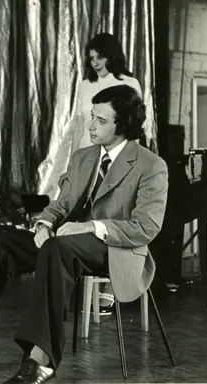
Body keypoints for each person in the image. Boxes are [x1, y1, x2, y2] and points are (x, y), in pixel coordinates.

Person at [0, 85, 168, 383]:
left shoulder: (151, 165)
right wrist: (43, 225)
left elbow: (146, 227)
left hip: (114, 248)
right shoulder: (85, 157)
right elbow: (61, 204)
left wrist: (88, 227)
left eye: (101, 121)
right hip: (65, 243)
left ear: (123, 126)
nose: (91, 125)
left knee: (58, 249)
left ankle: (39, 361)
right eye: (91, 117)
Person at [72, 32, 143, 313]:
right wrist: (73, 161)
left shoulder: (129, 83)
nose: (95, 62)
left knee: (116, 217)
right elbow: (80, 125)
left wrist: (132, 164)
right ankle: (84, 291)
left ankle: (112, 290)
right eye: (91, 58)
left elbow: (134, 129)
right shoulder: (86, 85)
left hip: (118, 157)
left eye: (99, 56)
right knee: (85, 215)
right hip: (90, 156)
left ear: (111, 55)